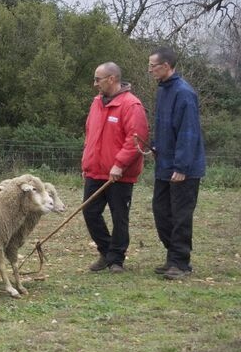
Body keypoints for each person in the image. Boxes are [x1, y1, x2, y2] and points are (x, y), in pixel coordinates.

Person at [82, 62, 149, 273]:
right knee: (90, 212)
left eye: (97, 79)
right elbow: (90, 134)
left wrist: (119, 164)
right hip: (95, 171)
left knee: (119, 217)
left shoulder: (131, 105)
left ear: (111, 79)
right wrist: (86, 161)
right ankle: (107, 251)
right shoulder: (96, 103)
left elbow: (136, 139)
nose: (94, 84)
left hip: (120, 175)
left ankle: (116, 260)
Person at [146, 47, 205, 280]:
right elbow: (163, 125)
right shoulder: (163, 91)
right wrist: (154, 146)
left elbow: (188, 132)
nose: (149, 70)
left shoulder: (184, 93)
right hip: (164, 164)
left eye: (153, 65)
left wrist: (182, 167)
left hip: (184, 169)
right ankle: (173, 256)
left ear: (166, 66)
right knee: (161, 212)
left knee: (180, 214)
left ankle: (180, 263)